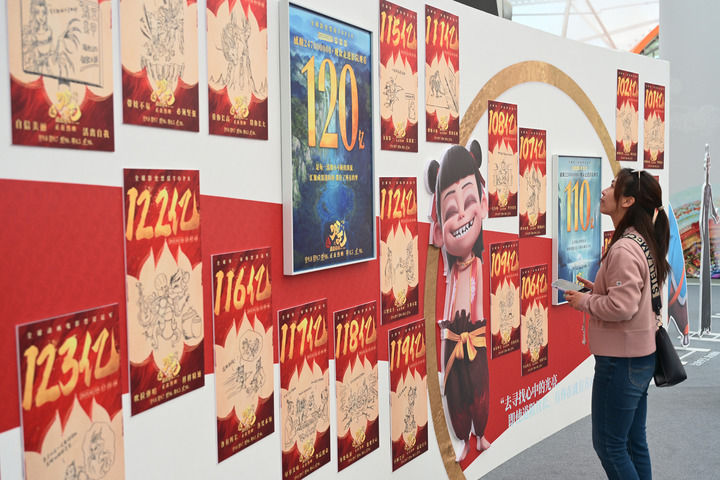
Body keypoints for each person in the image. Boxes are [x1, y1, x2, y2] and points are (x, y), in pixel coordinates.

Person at [565, 168, 669, 480]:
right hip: (638, 357)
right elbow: (632, 297)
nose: (604, 191)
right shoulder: (640, 239)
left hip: (621, 363)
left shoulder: (624, 247)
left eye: (612, 186)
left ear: (627, 200)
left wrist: (585, 302)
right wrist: (598, 291)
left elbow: (623, 307)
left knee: (610, 446)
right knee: (634, 443)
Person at [426, 140, 491, 462]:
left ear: (483, 203)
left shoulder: (477, 265)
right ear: (439, 231)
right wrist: (448, 329)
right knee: (456, 391)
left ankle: (481, 434)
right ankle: (464, 438)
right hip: (453, 334)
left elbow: (477, 303)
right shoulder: (451, 271)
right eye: (451, 211)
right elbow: (452, 298)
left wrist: (477, 328)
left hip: (474, 334)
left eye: (469, 201)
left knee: (479, 385)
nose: (462, 214)